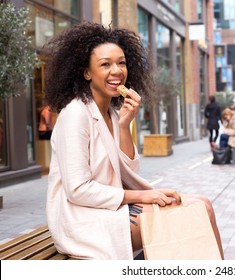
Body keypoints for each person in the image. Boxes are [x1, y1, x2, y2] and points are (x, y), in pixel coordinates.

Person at [43, 21, 223, 260]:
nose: (116, 71)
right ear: (87, 72)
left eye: (121, 63)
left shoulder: (112, 113)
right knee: (195, 213)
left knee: (203, 205)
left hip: (111, 208)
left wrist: (124, 126)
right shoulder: (76, 114)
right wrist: (143, 196)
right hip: (82, 219)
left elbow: (128, 170)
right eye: (105, 64)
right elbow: (78, 190)